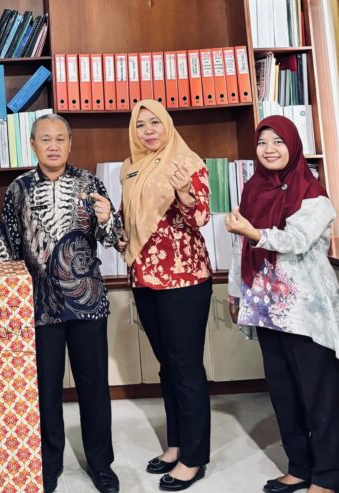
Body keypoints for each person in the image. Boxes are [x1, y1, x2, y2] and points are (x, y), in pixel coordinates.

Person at [0, 113, 122, 493]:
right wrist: (10, 303)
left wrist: (108, 218)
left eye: (60, 139)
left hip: (88, 302)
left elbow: (114, 238)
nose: (53, 146)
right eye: (45, 139)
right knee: (45, 390)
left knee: (94, 387)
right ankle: (47, 464)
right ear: (32, 144)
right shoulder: (17, 189)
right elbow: (8, 248)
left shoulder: (90, 183)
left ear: (70, 144)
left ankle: (101, 464)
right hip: (39, 305)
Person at [226, 115, 339, 493]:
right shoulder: (252, 189)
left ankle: (328, 475)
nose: (269, 149)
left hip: (305, 311)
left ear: (293, 145)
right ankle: (299, 467)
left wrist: (254, 232)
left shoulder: (313, 193)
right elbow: (240, 246)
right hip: (266, 307)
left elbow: (296, 241)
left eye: (278, 141)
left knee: (319, 395)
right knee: (283, 392)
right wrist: (235, 292)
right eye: (262, 142)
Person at [117, 99, 212, 491]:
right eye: (141, 125)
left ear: (168, 124)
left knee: (185, 367)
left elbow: (201, 217)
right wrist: (116, 231)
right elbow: (130, 221)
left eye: (155, 122)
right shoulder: (130, 167)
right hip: (144, 278)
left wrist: (185, 194)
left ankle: (194, 458)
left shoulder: (187, 162)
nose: (149, 131)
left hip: (183, 279)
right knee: (167, 366)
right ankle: (176, 446)